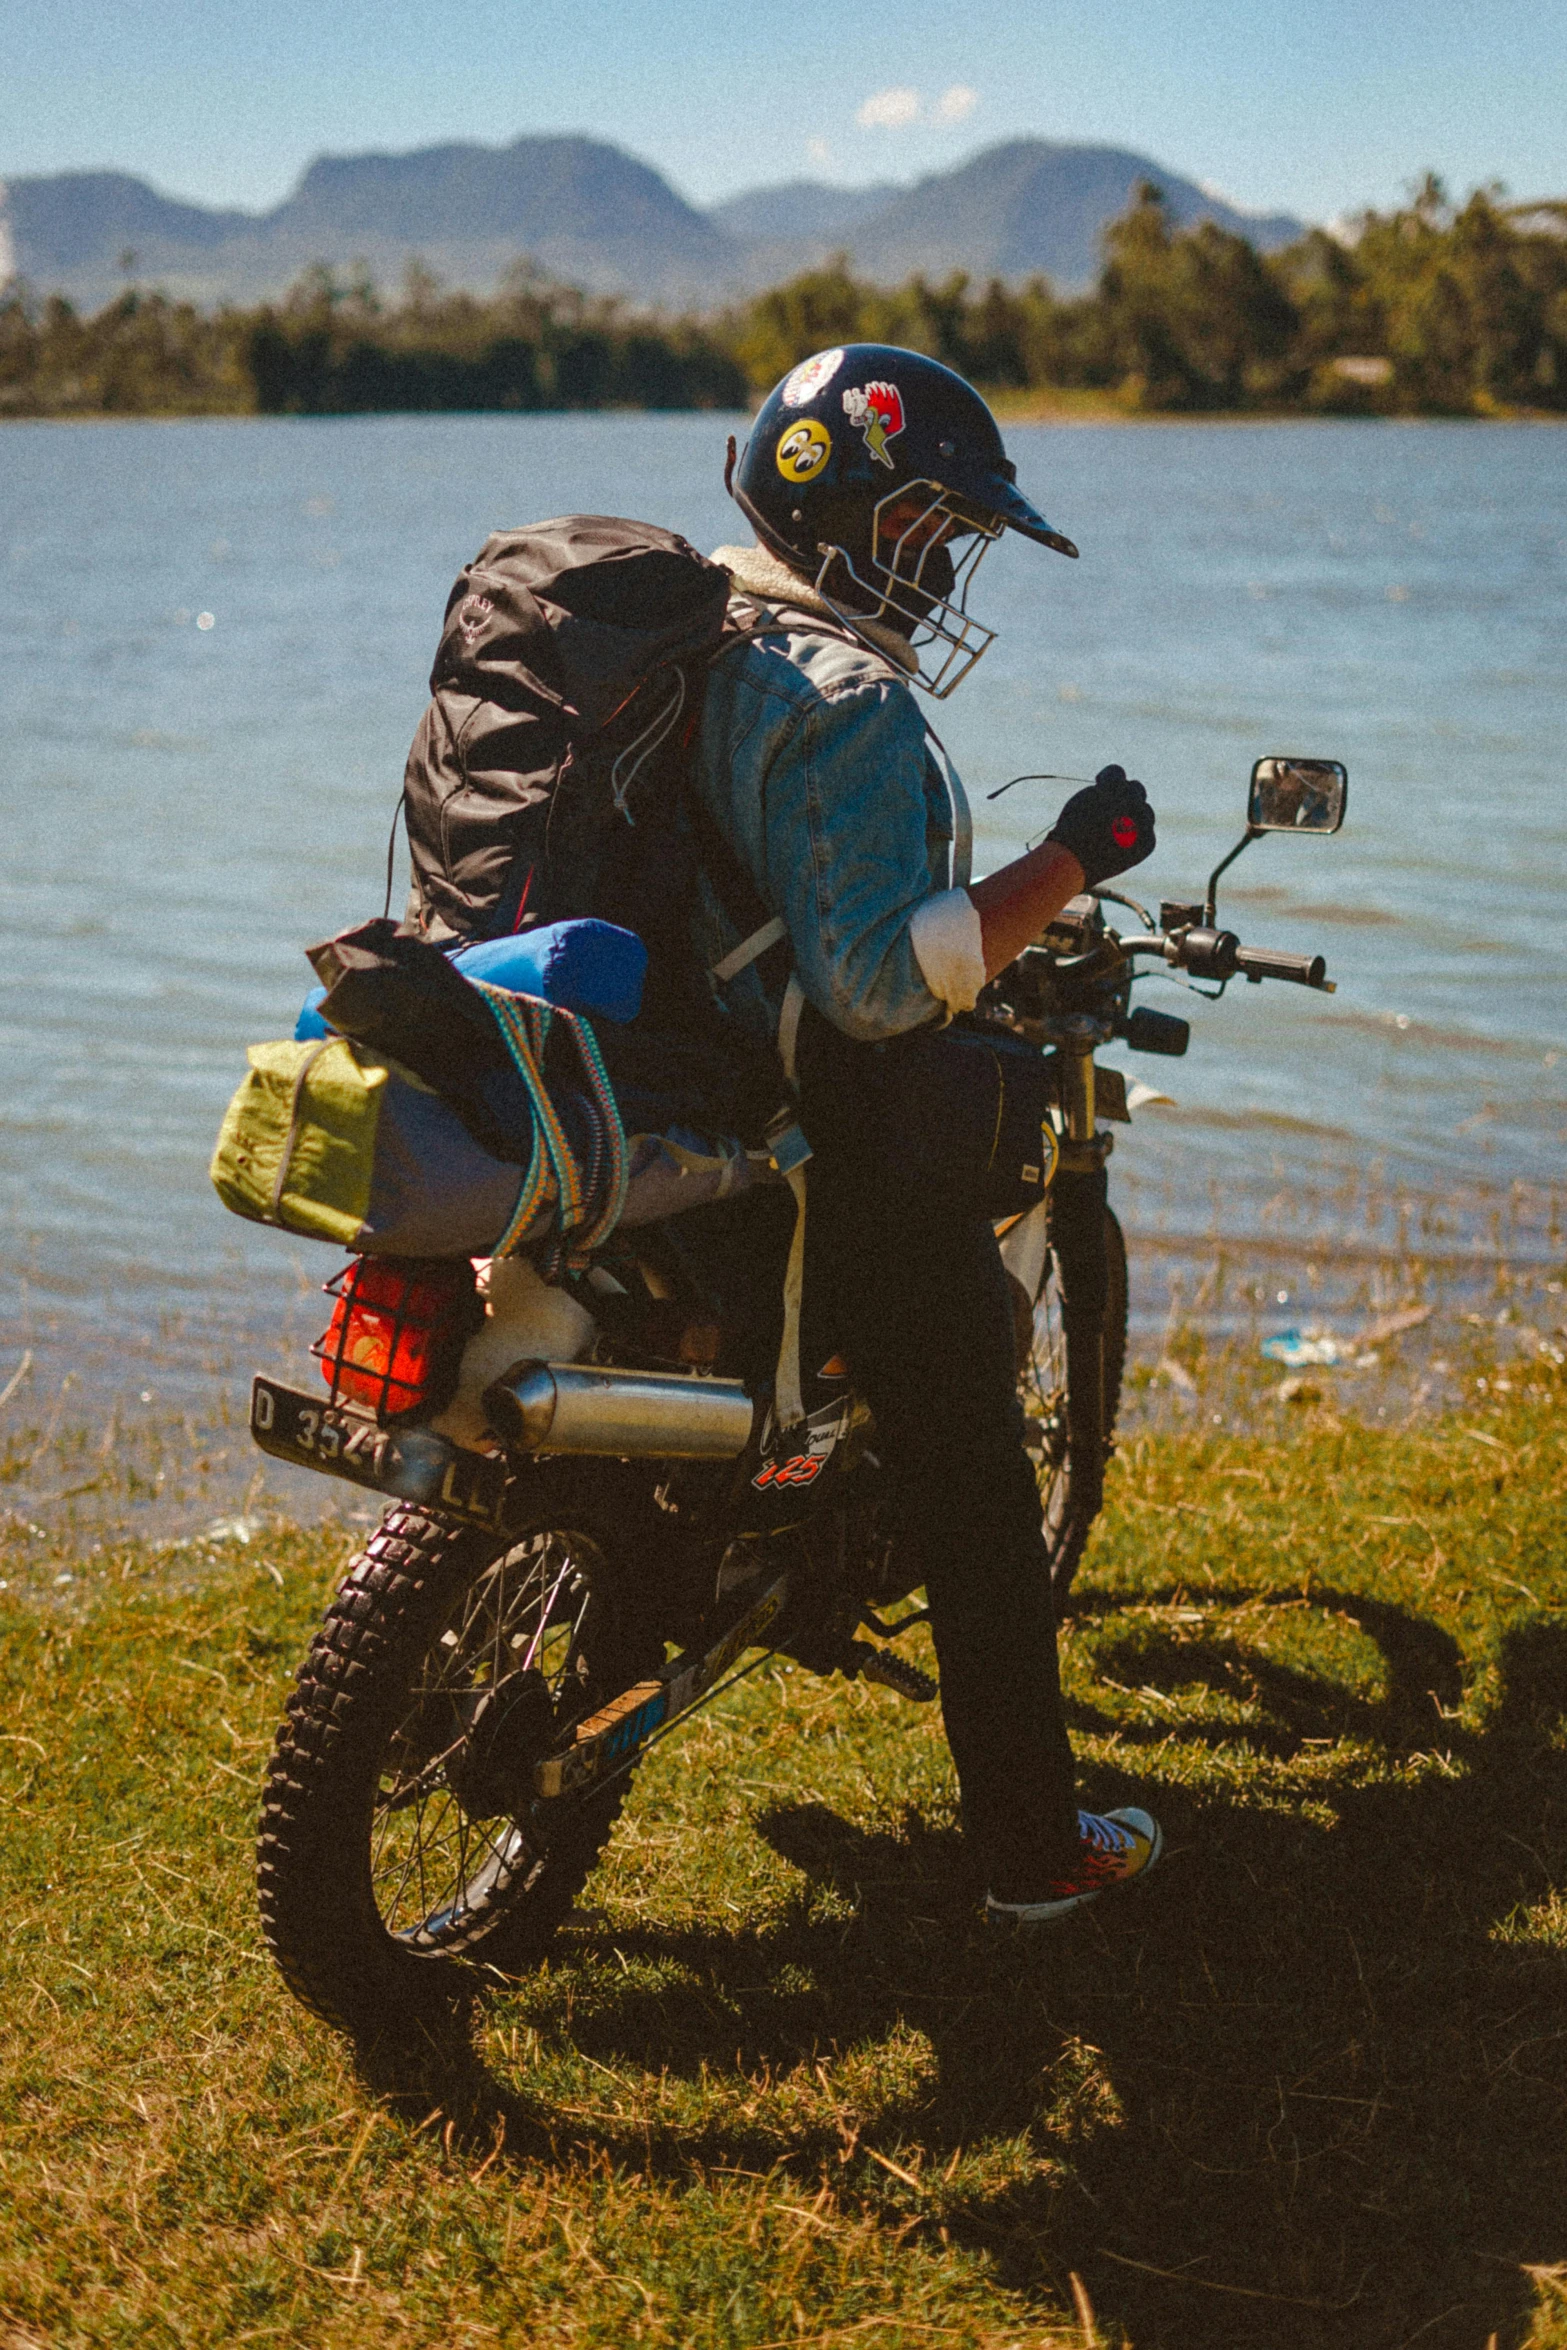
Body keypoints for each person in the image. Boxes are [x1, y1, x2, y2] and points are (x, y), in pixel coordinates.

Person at [692, 344, 1164, 1922]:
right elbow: (889, 984)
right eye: (927, 529)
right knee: (969, 1419)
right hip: (798, 1131)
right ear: (836, 497)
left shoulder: (692, 614)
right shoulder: (844, 698)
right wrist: (1066, 860)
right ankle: (1034, 1852)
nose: (946, 564)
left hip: (661, 1078)